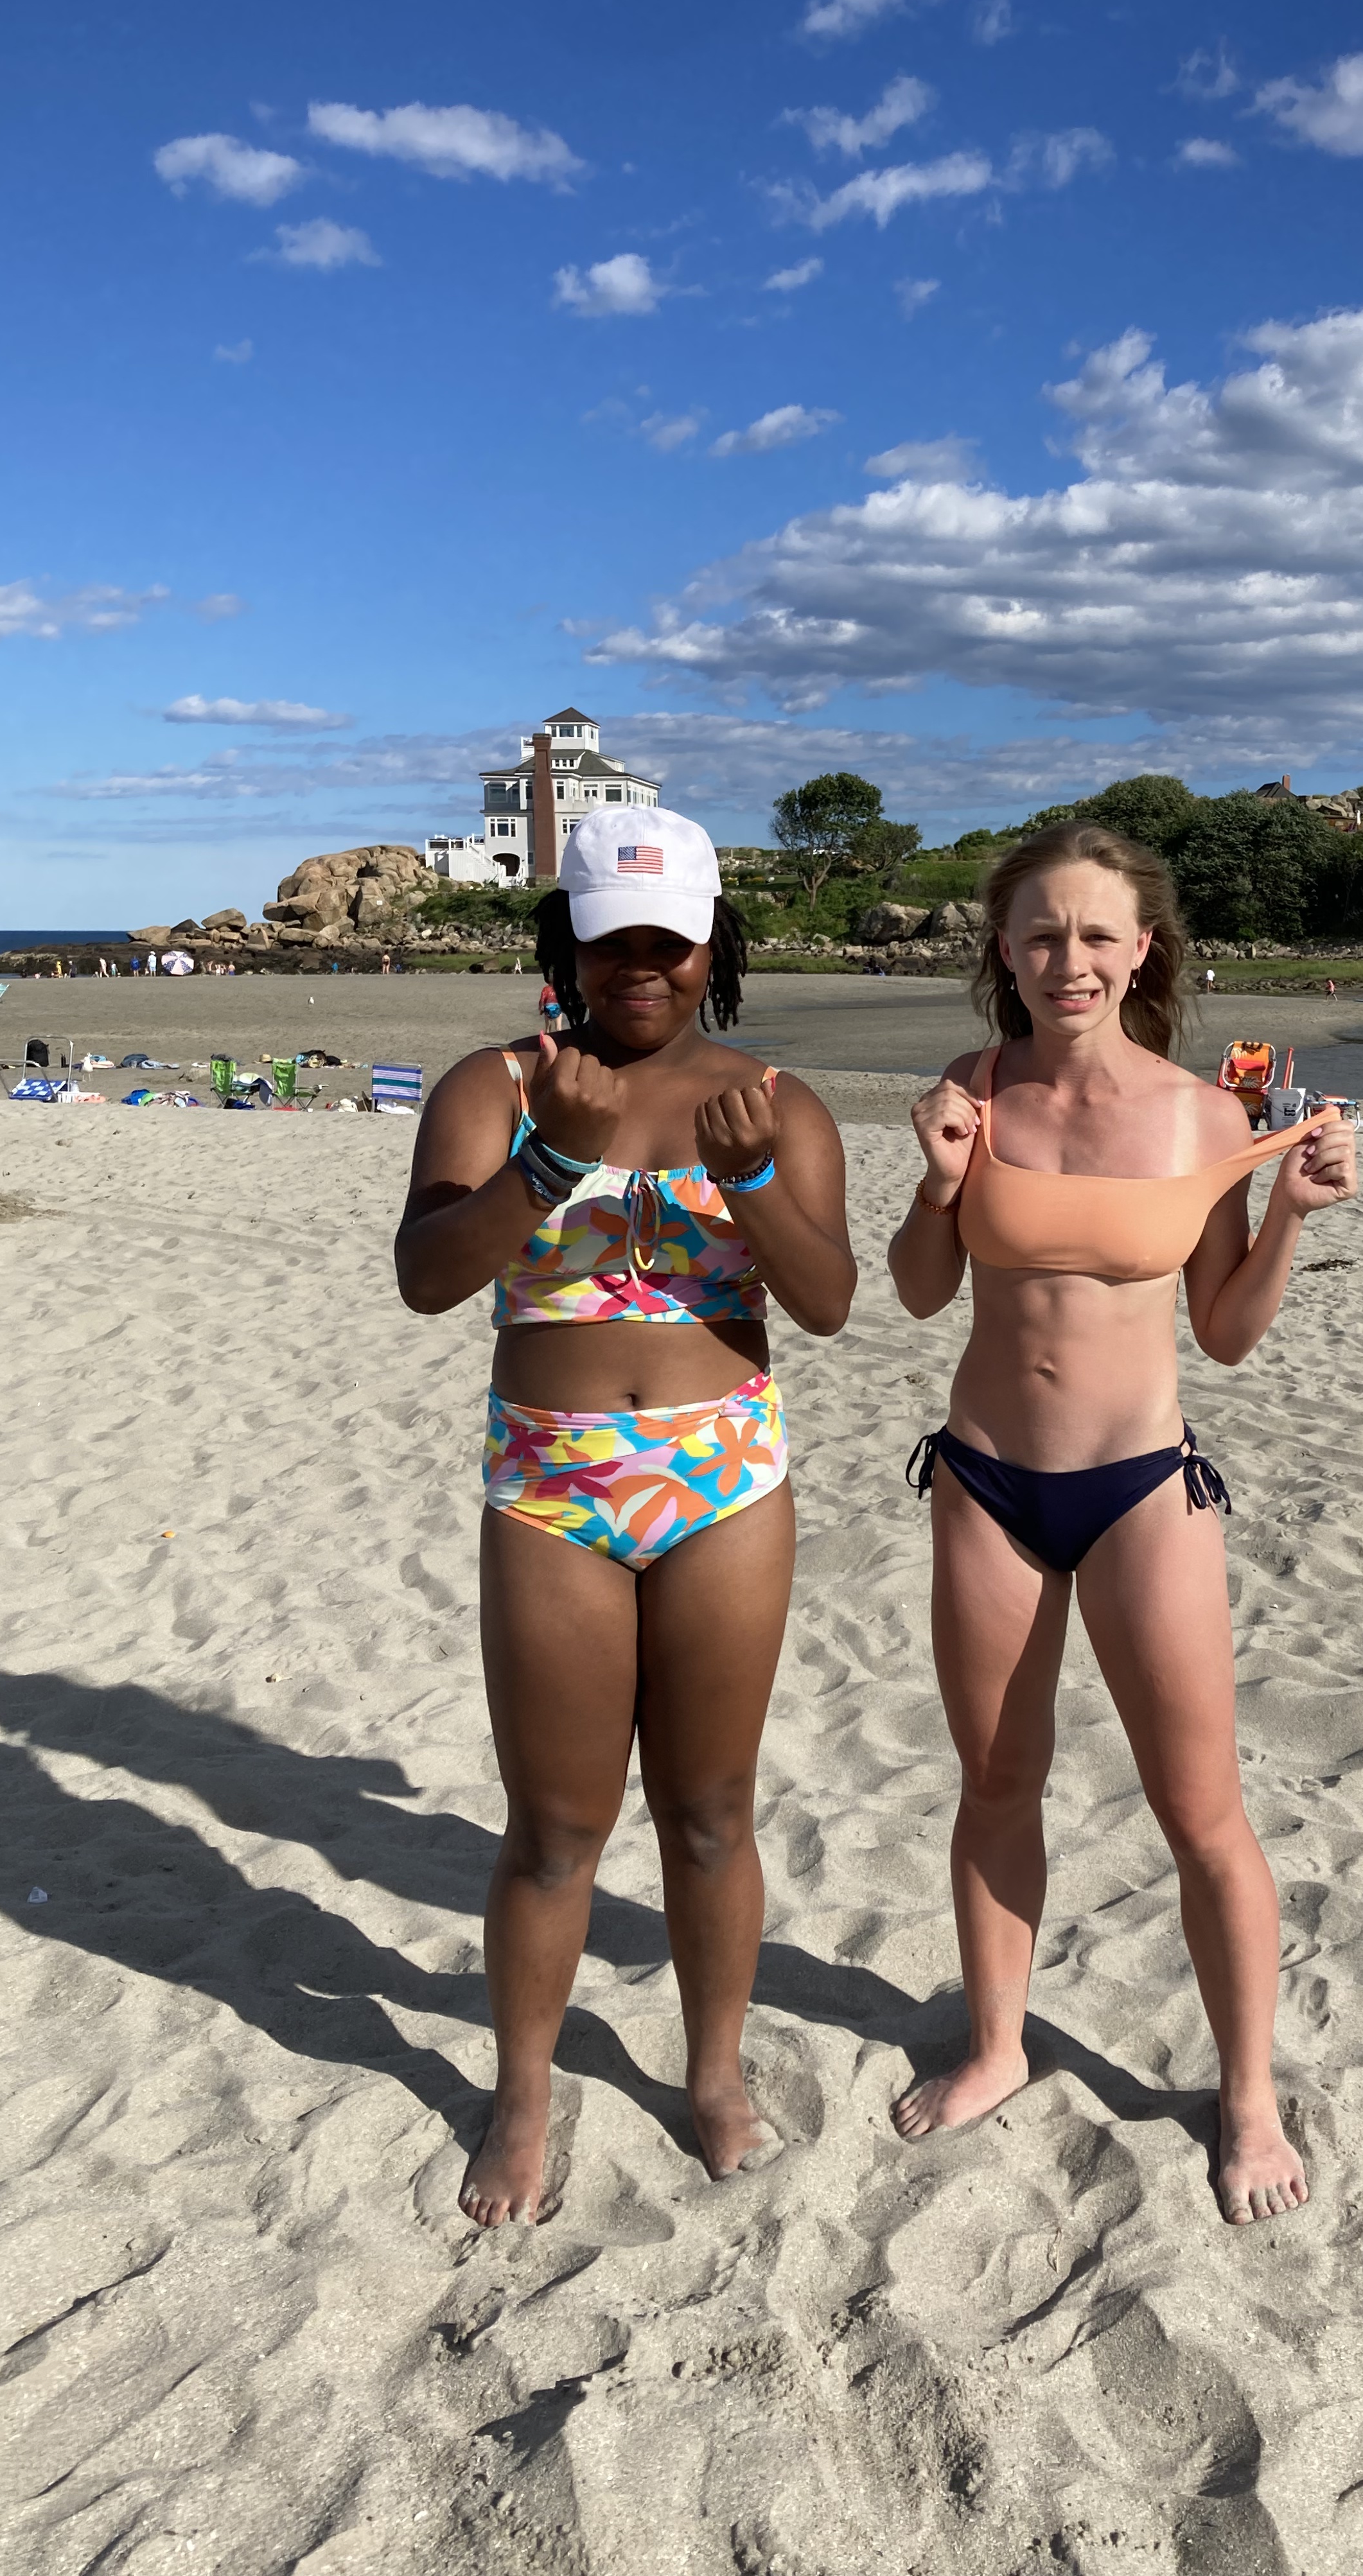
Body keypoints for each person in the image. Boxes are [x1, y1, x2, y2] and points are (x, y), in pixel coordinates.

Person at [886, 821, 1359, 2225]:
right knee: (994, 1784)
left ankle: (1248, 2098)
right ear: (1004, 948)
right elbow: (918, 1289)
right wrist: (938, 1182)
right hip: (987, 1481)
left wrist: (1287, 1217)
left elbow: (1225, 1332)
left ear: (1142, 949)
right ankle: (996, 2047)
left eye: (1096, 935)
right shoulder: (972, 1090)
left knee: (1200, 1809)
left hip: (1144, 1486)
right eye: (1041, 934)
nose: (1068, 960)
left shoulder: (1207, 1119)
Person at [394, 805, 857, 2226]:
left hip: (724, 1478)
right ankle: (524, 2095)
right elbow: (426, 1276)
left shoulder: (773, 1100)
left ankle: (712, 2073)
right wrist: (547, 1161)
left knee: (709, 1812)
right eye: (612, 942)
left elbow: (827, 1302)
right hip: (552, 1482)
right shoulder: (497, 1085)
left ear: (714, 943)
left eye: (670, 941)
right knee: (553, 1827)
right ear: (570, 946)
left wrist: (752, 1178)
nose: (641, 967)